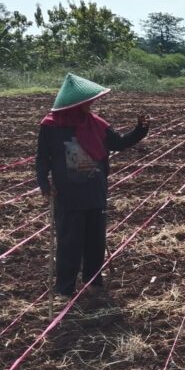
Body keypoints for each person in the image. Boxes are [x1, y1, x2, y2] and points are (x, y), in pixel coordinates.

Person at [35, 73, 149, 304]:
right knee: (69, 242)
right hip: (67, 195)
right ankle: (65, 289)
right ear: (74, 103)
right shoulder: (51, 127)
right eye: (87, 101)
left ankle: (93, 282)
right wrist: (44, 183)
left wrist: (140, 130)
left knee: (95, 241)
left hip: (95, 191)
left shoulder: (96, 124)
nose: (91, 105)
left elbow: (119, 143)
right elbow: (42, 158)